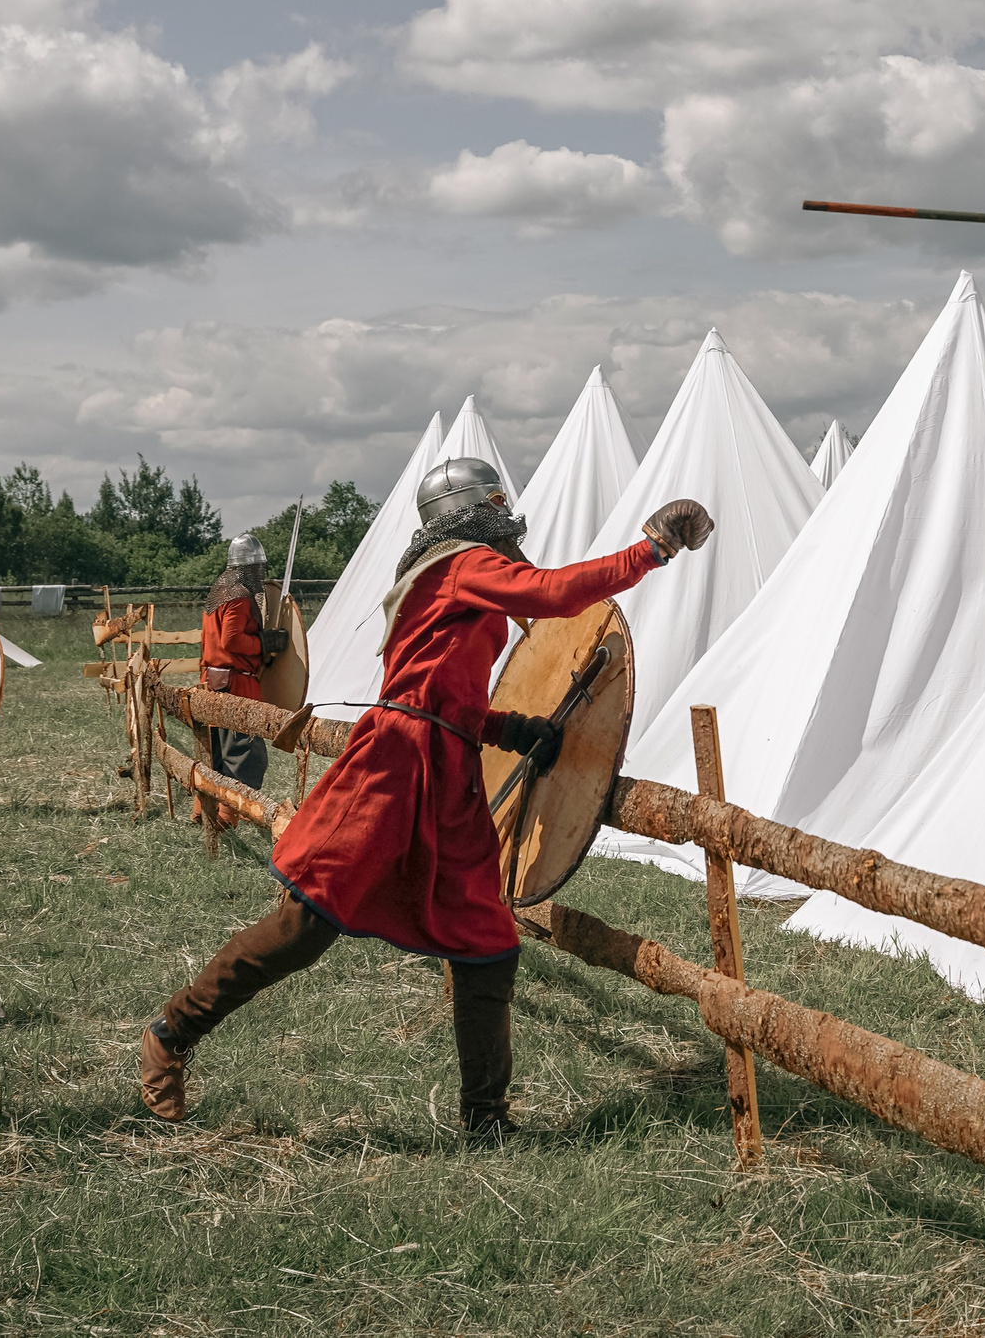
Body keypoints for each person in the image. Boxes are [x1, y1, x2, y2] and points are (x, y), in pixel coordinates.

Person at [139, 458, 713, 1139]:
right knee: (305, 925)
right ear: (476, 507)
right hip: (391, 770)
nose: (507, 512)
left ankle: (486, 1118)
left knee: (488, 942)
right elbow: (554, 592)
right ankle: (170, 1033)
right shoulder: (458, 564)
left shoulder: (446, 572)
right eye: (497, 501)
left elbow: (444, 693)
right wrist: (651, 549)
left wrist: (509, 725)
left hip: (446, 777)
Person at [198, 535, 284, 794]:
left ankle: (206, 813)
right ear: (251, 568)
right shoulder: (239, 596)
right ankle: (232, 817)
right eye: (259, 568)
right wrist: (263, 644)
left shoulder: (219, 591)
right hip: (235, 685)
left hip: (214, 681)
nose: (261, 574)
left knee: (215, 756)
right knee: (245, 756)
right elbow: (232, 640)